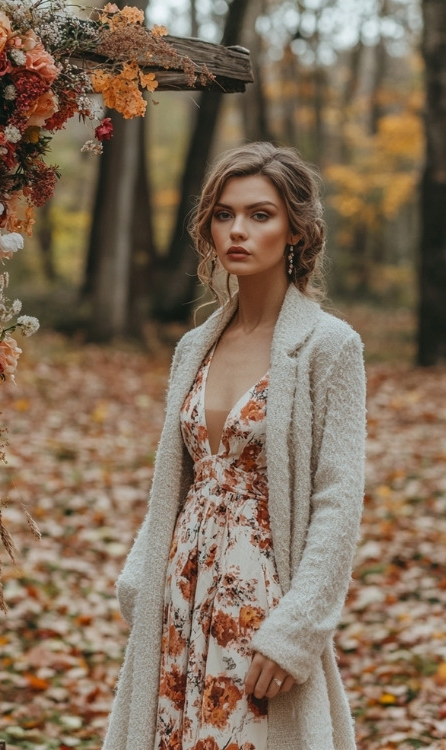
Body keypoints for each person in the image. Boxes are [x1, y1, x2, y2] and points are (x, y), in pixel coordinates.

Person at [102, 142, 366, 750]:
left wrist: (296, 631)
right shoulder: (193, 346)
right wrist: (140, 580)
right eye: (224, 214)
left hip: (262, 602)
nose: (237, 231)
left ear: (296, 230)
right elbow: (175, 481)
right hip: (179, 595)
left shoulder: (329, 347)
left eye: (260, 214)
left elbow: (338, 497)